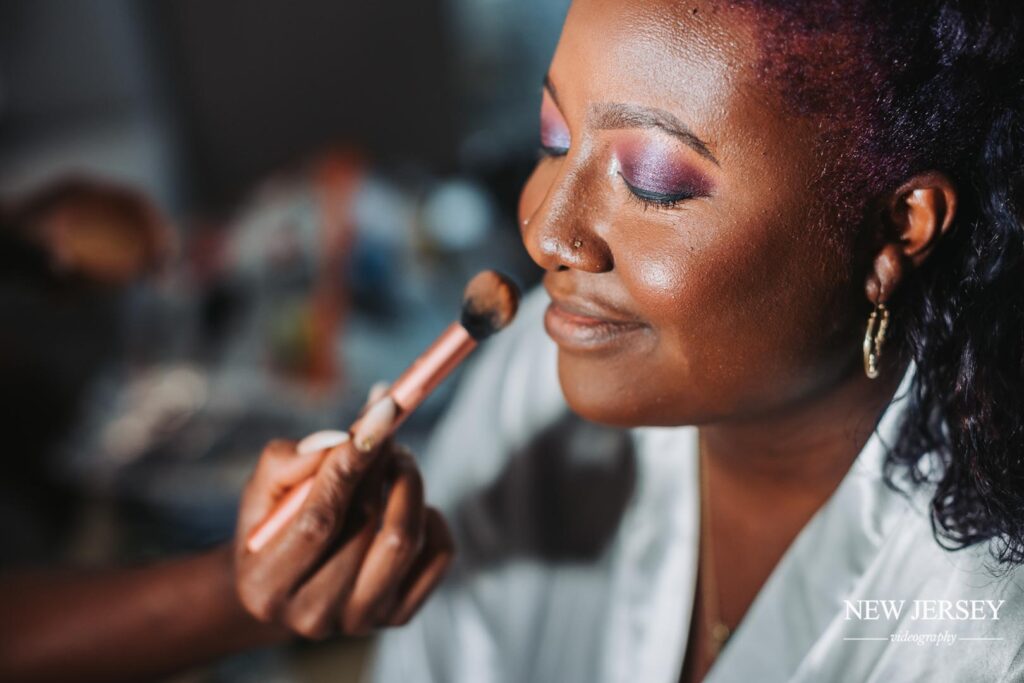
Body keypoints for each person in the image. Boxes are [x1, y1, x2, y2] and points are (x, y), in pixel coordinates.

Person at [4, 1, 1024, 681]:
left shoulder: (983, 631)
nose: (544, 227)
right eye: (552, 136)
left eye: (655, 180)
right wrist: (244, 589)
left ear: (898, 230)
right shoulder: (537, 384)